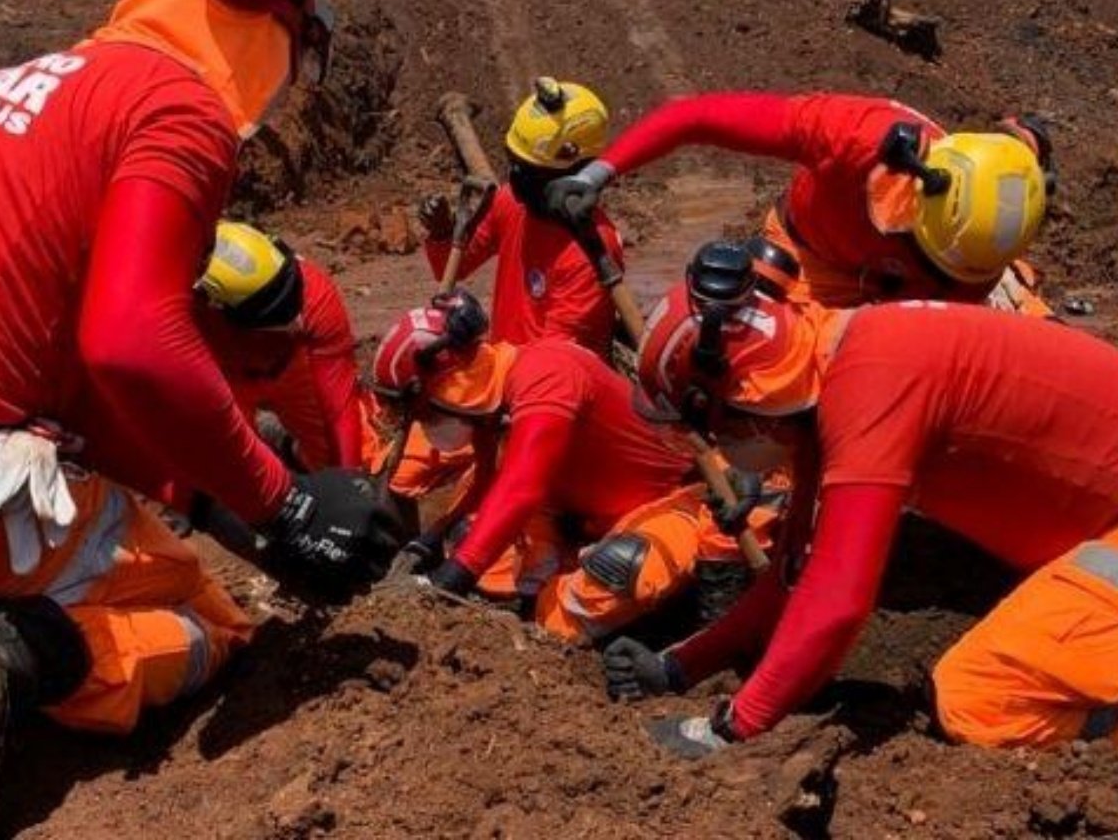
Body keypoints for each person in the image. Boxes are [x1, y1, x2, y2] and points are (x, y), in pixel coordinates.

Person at [0, 0, 398, 835]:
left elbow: (84, 392)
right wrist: (286, 507)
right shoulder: (175, 106)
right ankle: (15, 654)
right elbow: (132, 343)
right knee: (209, 617)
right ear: (266, 9)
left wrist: (222, 500)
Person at [605, 240, 1118, 757]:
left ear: (739, 399)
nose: (722, 446)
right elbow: (793, 581)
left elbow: (838, 599)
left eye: (716, 428)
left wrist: (731, 729)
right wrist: (677, 667)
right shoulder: (833, 359)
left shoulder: (871, 383)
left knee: (974, 699)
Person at [370, 291, 772, 642]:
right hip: (575, 509)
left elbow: (521, 487)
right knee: (467, 533)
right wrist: (433, 539)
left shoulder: (547, 374)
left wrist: (453, 577)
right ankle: (545, 584)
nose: (423, 424)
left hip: (672, 499)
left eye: (421, 413)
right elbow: (490, 478)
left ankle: (578, 610)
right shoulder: (494, 392)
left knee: (613, 573)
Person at [543, 91, 1054, 313]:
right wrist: (597, 172)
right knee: (770, 374)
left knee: (1025, 340)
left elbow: (1023, 150)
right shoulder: (849, 134)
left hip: (917, 294)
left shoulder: (981, 250)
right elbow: (695, 116)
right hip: (812, 260)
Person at [418, 77, 623, 359]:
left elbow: (553, 363)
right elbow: (452, 267)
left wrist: (485, 367)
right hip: (508, 372)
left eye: (530, 170)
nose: (516, 177)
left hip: (551, 392)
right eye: (514, 163)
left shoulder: (590, 254)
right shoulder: (513, 203)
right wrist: (443, 234)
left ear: (579, 174)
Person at [197, 220, 374, 472]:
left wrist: (351, 479)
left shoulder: (314, 295)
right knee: (231, 467)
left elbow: (339, 406)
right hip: (223, 376)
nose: (295, 321)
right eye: (276, 320)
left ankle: (287, 447)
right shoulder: (184, 316)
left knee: (331, 457)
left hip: (291, 368)